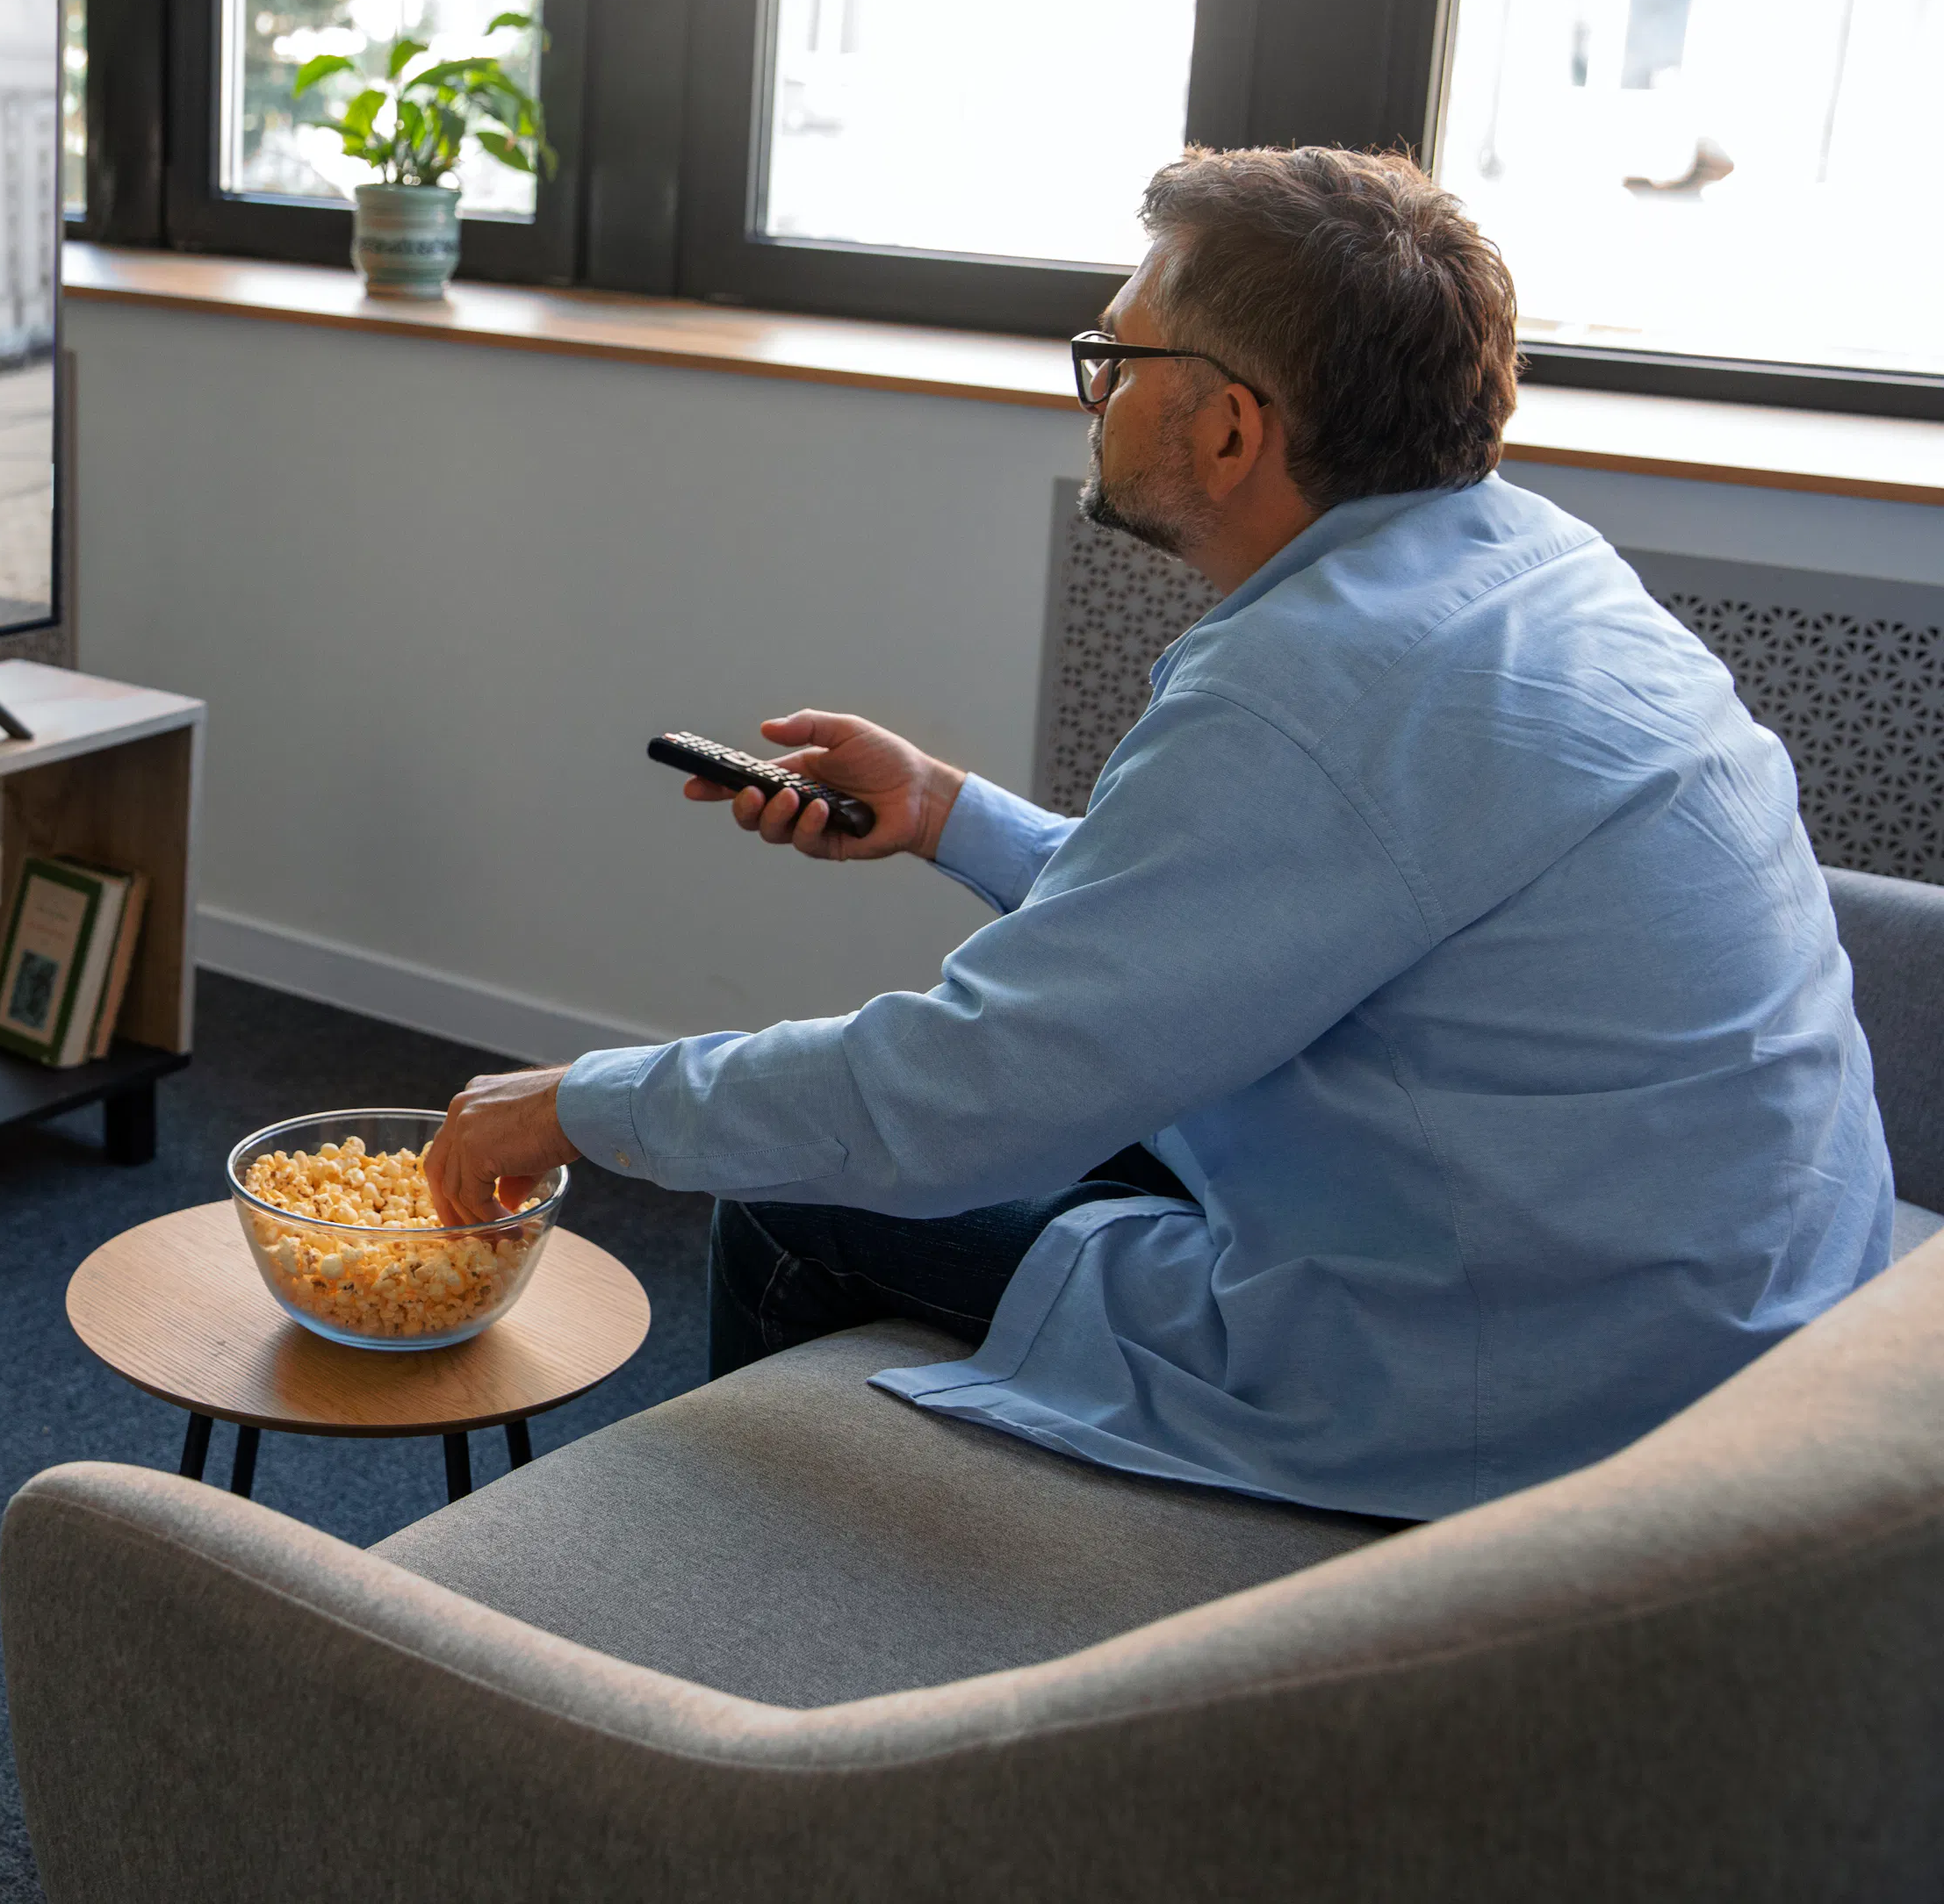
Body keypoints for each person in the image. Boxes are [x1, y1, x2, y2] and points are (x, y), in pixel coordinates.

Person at [422, 146, 1893, 1523]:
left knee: (794, 1197)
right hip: (1735, 1292)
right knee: (1083, 1126)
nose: (1093, 391)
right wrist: (946, 814)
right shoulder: (1531, 569)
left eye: (1114, 359)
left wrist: (578, 1103)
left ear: (1234, 425)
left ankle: (736, 1645)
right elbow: (1220, 933)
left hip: (1548, 1372)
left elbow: (956, 1096)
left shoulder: (1307, 689)